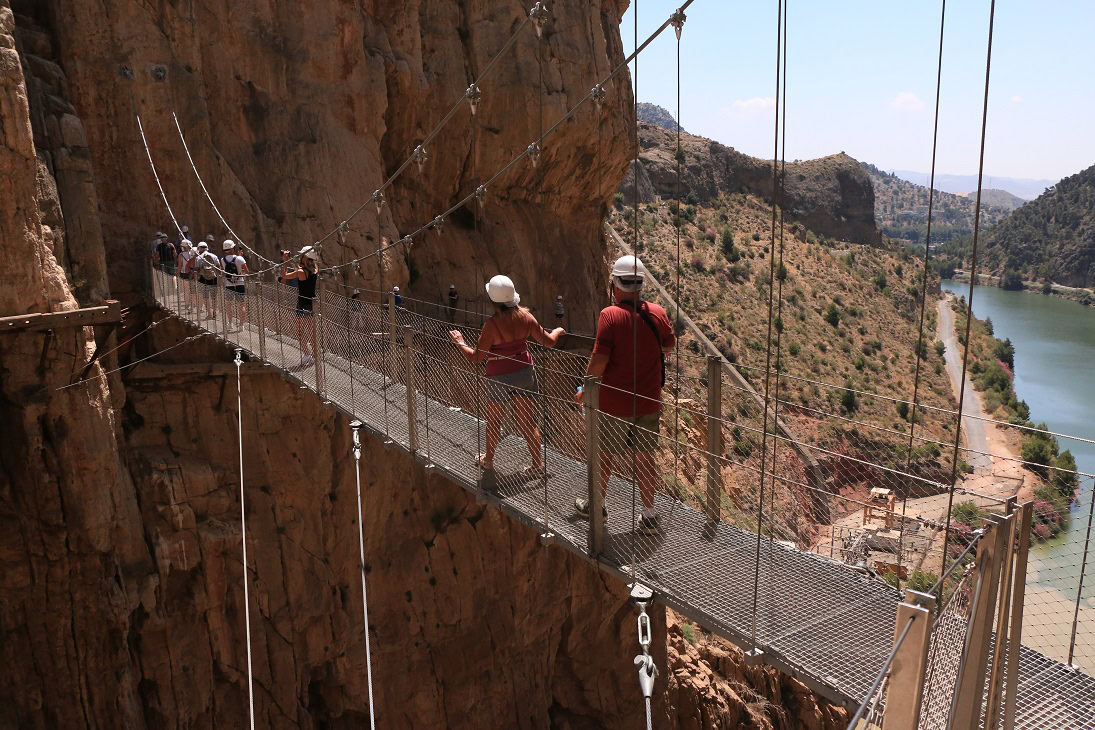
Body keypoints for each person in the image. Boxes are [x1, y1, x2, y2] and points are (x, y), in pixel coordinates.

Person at [574, 255, 675, 536]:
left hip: (614, 403)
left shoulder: (610, 315)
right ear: (641, 283)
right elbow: (670, 344)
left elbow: (599, 360)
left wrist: (585, 389)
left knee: (605, 453)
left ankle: (597, 506)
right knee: (645, 457)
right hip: (649, 400)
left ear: (615, 284)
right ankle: (650, 515)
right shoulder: (658, 312)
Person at [449, 275, 564, 477]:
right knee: (527, 422)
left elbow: (476, 357)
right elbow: (549, 342)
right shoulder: (527, 318)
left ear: (492, 300)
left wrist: (460, 342)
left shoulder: (491, 326)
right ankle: (537, 466)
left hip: (499, 375)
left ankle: (489, 460)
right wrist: (556, 331)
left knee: (494, 421)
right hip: (524, 370)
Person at [282, 246, 319, 365]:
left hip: (302, 304)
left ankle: (307, 355)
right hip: (312, 303)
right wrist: (291, 260)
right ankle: (314, 355)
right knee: (311, 331)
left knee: (300, 332)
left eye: (301, 255)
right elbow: (301, 270)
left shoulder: (300, 272)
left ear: (305, 257)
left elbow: (285, 276)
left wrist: (285, 262)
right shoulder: (314, 270)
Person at [222, 239, 249, 330]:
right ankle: (241, 325)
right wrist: (240, 258)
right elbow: (247, 272)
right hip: (240, 284)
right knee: (241, 305)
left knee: (229, 304)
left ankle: (230, 323)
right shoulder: (240, 258)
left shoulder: (222, 260)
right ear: (232, 248)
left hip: (228, 284)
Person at [192, 240, 221, 320]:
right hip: (213, 278)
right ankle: (215, 311)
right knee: (214, 296)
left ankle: (209, 314)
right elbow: (218, 267)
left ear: (199, 249)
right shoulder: (214, 256)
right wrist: (219, 276)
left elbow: (197, 269)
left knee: (205, 297)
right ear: (207, 248)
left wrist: (195, 275)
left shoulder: (198, 258)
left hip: (203, 279)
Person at [177, 241, 195, 311]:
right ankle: (193, 305)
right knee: (193, 290)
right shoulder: (193, 253)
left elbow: (179, 266)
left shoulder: (181, 255)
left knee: (186, 290)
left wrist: (178, 274)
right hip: (192, 273)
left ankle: (187, 304)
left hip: (184, 273)